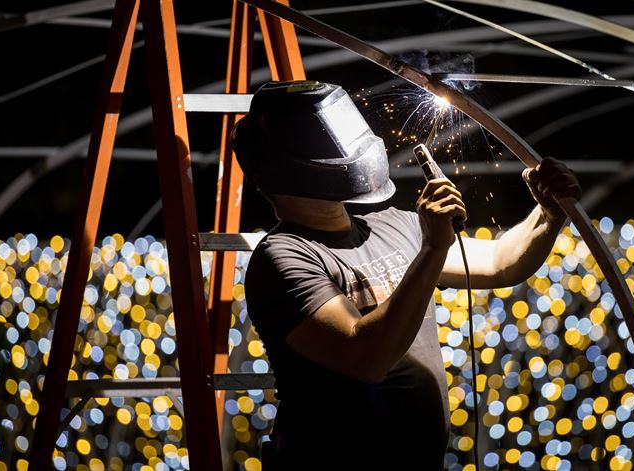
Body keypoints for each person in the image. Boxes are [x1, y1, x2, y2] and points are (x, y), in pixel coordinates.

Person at [231, 80, 581, 470]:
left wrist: (548, 215)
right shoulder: (284, 259)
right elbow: (366, 356)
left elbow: (501, 262)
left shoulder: (393, 224)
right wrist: (433, 248)